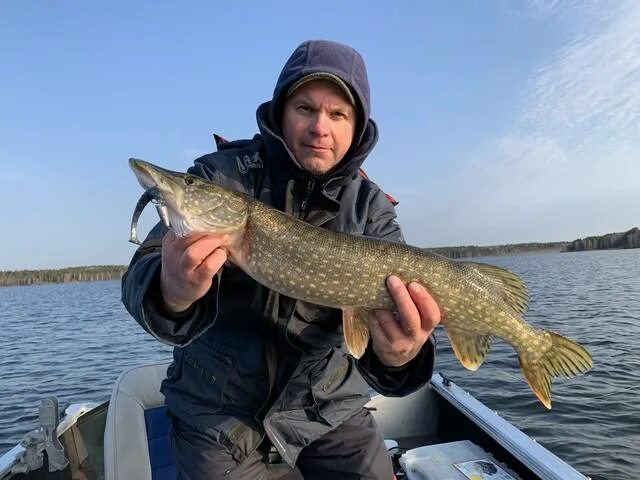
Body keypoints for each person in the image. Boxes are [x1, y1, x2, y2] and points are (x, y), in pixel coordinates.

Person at [122, 39, 441, 480]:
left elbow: (383, 352)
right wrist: (171, 291)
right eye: (305, 108)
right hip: (218, 414)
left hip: (328, 409)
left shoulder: (372, 211)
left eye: (337, 114)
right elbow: (141, 274)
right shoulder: (222, 176)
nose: (319, 127)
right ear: (280, 113)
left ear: (357, 128)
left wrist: (401, 357)